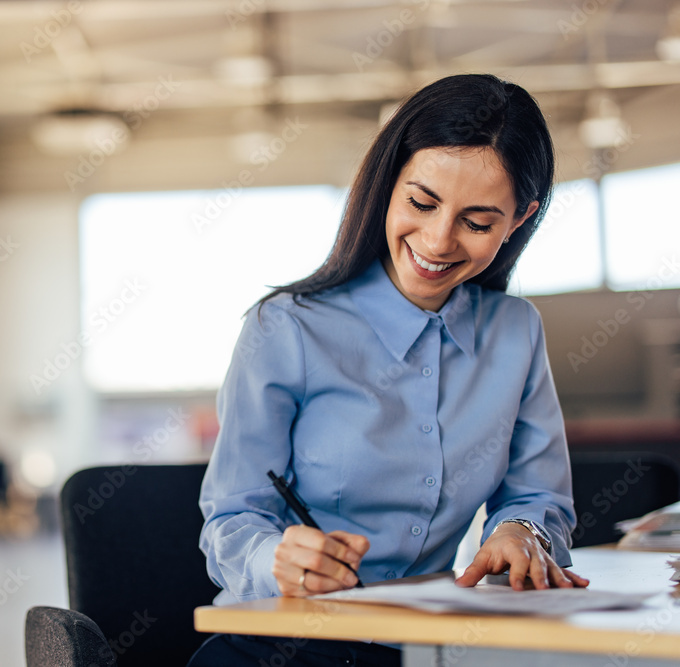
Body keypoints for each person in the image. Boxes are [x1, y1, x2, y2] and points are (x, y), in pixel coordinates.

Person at [188, 73, 590, 667]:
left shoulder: (516, 332)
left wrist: (521, 533)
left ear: (520, 220)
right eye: (421, 203)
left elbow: (537, 497)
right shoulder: (285, 328)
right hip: (286, 647)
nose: (437, 239)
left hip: (429, 647)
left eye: (477, 222)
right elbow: (233, 516)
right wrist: (275, 557)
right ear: (387, 184)